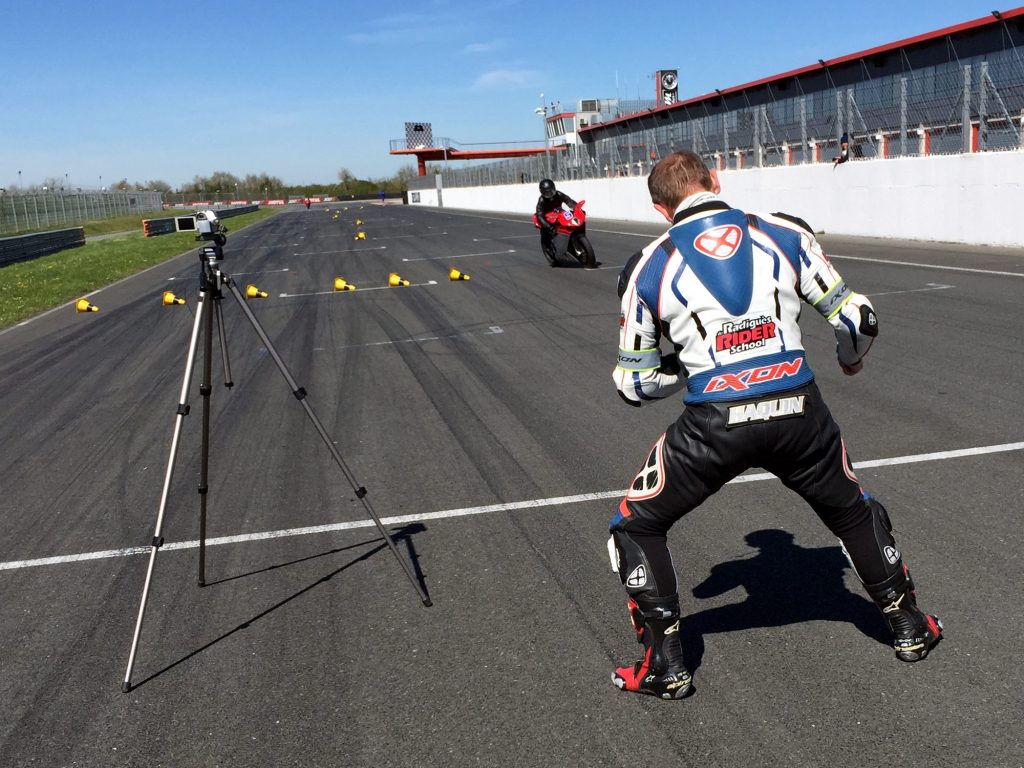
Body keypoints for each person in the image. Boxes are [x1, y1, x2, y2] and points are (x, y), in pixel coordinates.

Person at [607, 151, 942, 700]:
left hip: (713, 423)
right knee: (854, 511)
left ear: (659, 208)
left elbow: (633, 385)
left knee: (634, 527)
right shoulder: (785, 233)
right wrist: (851, 358)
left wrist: (679, 366)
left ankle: (666, 666)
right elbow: (860, 319)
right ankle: (910, 629)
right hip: (799, 414)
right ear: (716, 179)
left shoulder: (647, 265)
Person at [535, 178, 578, 267]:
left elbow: (569, 201)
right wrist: (548, 226)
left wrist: (576, 208)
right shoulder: (541, 200)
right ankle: (550, 248)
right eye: (547, 192)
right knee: (546, 230)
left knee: (570, 222)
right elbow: (539, 215)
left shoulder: (558, 194)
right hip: (547, 217)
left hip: (558, 213)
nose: (550, 194)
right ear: (542, 192)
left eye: (551, 191)